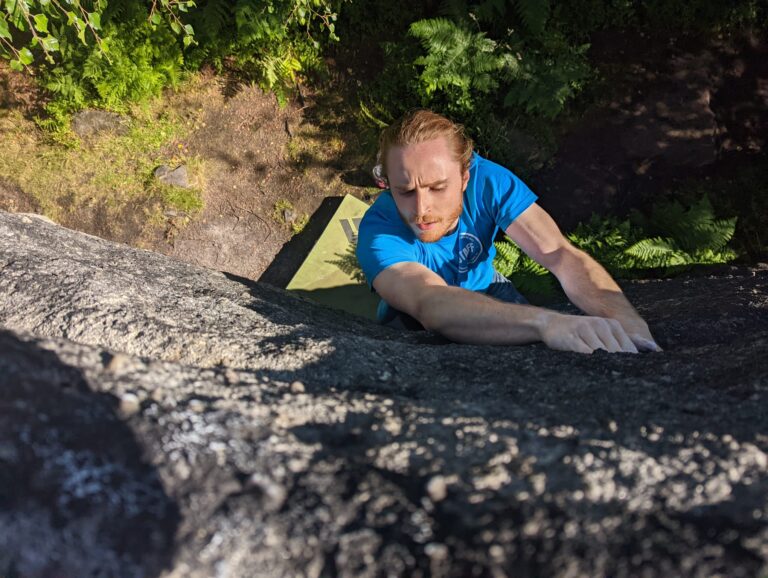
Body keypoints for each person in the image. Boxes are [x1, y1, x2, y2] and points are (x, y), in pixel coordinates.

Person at [356, 109, 662, 354]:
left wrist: (625, 320)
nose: (421, 208)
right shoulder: (379, 231)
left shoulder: (489, 182)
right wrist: (546, 323)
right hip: (412, 314)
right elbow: (429, 300)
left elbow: (557, 253)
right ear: (387, 185)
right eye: (405, 191)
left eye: (437, 187)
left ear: (465, 176)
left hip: (488, 287)